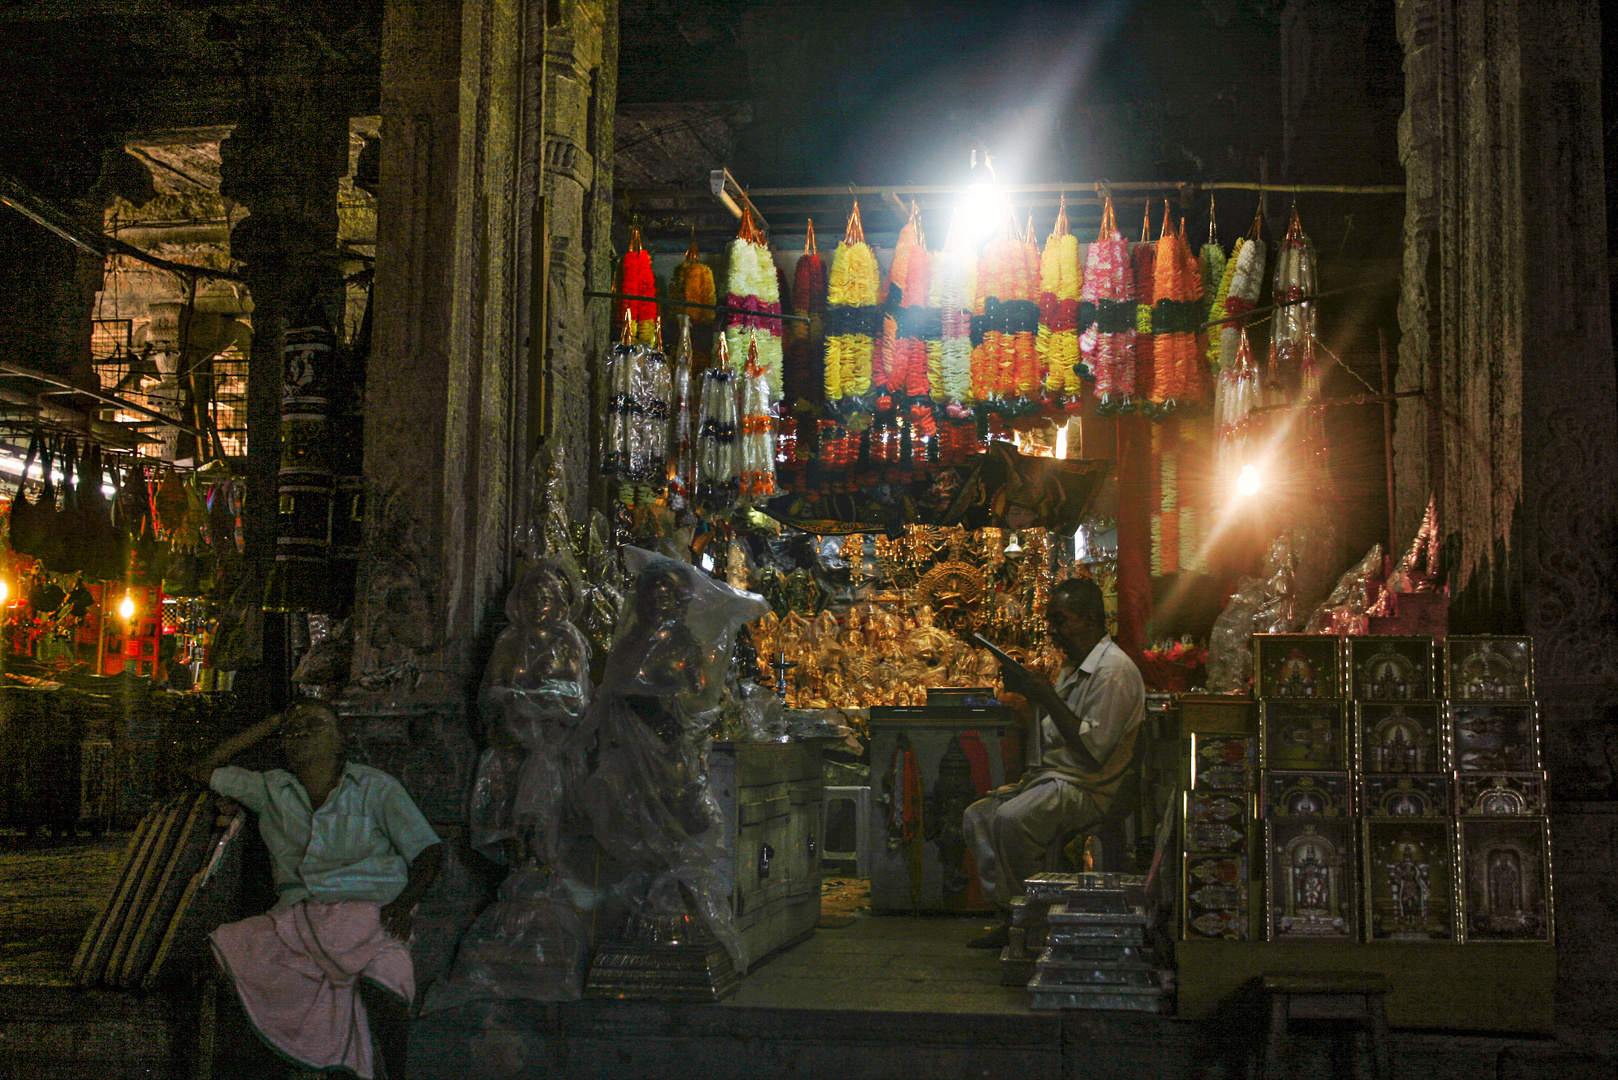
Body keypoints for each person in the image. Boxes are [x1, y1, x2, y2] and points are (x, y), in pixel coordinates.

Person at [185, 701, 445, 1079]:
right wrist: (271, 721)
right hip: (298, 920)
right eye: (293, 728)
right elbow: (198, 769)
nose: (301, 732)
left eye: (314, 725)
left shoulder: (375, 788)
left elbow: (429, 851)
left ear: (341, 740)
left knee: (385, 981)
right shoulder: (269, 788)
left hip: (370, 915)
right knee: (222, 958)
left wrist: (406, 905)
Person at [961, 577, 1145, 948]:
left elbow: (1093, 752)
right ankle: (1014, 912)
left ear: (1090, 620)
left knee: (1012, 821)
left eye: (1060, 621)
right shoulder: (1073, 668)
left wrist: (1045, 694)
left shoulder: (1114, 671)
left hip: (1090, 787)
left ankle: (1039, 921)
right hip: (1056, 779)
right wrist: (1033, 696)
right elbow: (1050, 738)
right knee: (977, 817)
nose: (1052, 631)